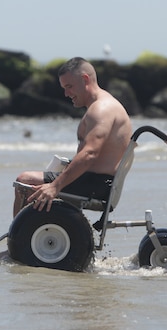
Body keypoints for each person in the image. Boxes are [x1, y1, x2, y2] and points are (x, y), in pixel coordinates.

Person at [13, 57, 132, 216]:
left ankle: (20, 237)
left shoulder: (101, 109)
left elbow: (90, 154)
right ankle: (35, 233)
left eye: (69, 87)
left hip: (96, 184)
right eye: (64, 88)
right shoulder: (101, 106)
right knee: (34, 182)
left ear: (85, 79)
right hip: (93, 180)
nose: (66, 93)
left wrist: (55, 186)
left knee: (24, 181)